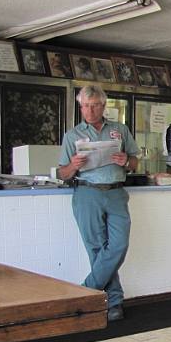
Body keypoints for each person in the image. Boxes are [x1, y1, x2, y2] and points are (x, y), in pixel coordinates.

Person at [58, 85, 139, 321]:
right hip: (86, 193)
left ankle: (86, 291)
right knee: (96, 248)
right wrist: (73, 165)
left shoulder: (119, 130)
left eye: (94, 105)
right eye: (85, 106)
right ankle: (114, 301)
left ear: (103, 106)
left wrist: (126, 160)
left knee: (118, 245)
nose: (90, 110)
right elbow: (62, 174)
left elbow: (135, 163)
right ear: (80, 107)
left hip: (115, 193)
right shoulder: (72, 136)